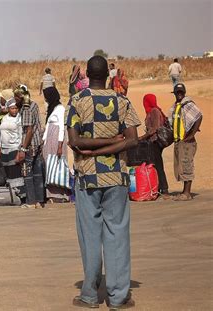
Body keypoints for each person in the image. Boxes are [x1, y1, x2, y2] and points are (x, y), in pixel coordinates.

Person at [66, 55, 140, 310]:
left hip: (88, 177)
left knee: (90, 236)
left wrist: (94, 150)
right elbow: (132, 140)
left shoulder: (76, 101)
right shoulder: (121, 101)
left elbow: (75, 141)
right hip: (116, 177)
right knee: (117, 234)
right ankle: (119, 298)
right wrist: (112, 143)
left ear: (87, 74)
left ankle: (89, 295)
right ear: (108, 76)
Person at [168, 83, 202, 201]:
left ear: (184, 92)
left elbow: (198, 116)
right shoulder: (177, 106)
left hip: (187, 141)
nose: (179, 94)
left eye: (181, 92)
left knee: (186, 165)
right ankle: (184, 192)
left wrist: (192, 134)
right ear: (174, 93)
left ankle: (187, 193)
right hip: (179, 141)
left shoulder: (188, 104)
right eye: (177, 92)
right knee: (181, 166)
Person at [14, 85, 45, 208]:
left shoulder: (26, 109)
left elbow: (29, 130)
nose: (14, 99)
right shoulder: (34, 105)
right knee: (37, 173)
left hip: (30, 145)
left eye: (16, 97)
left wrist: (23, 149)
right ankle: (39, 200)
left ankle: (31, 201)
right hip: (37, 143)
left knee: (27, 173)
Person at [139, 94, 170, 197]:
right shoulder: (152, 111)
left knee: (158, 165)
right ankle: (158, 188)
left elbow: (155, 128)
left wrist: (142, 137)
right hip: (153, 142)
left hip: (156, 142)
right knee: (155, 165)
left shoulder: (154, 111)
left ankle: (164, 189)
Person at [43, 88, 70, 203]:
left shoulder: (60, 109)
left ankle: (60, 195)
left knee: (57, 165)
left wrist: (59, 146)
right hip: (49, 140)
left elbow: (61, 129)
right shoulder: (52, 109)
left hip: (56, 141)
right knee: (49, 164)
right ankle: (50, 194)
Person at [0, 100, 23, 182]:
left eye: (16, 108)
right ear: (8, 108)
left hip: (14, 149)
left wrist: (19, 152)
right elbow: (1, 134)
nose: (15, 110)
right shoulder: (4, 118)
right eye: (12, 108)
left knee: (14, 175)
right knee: (6, 174)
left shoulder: (19, 119)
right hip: (4, 150)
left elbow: (21, 136)